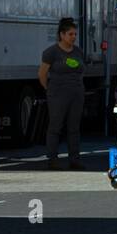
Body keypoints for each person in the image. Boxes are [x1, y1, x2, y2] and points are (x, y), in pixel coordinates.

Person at [38, 17, 87, 170]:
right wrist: (49, 89)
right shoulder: (51, 52)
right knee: (55, 126)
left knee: (74, 127)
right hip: (58, 93)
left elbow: (81, 71)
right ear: (62, 35)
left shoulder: (78, 51)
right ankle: (52, 159)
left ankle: (74, 160)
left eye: (75, 34)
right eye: (70, 34)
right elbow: (42, 74)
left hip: (76, 93)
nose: (73, 37)